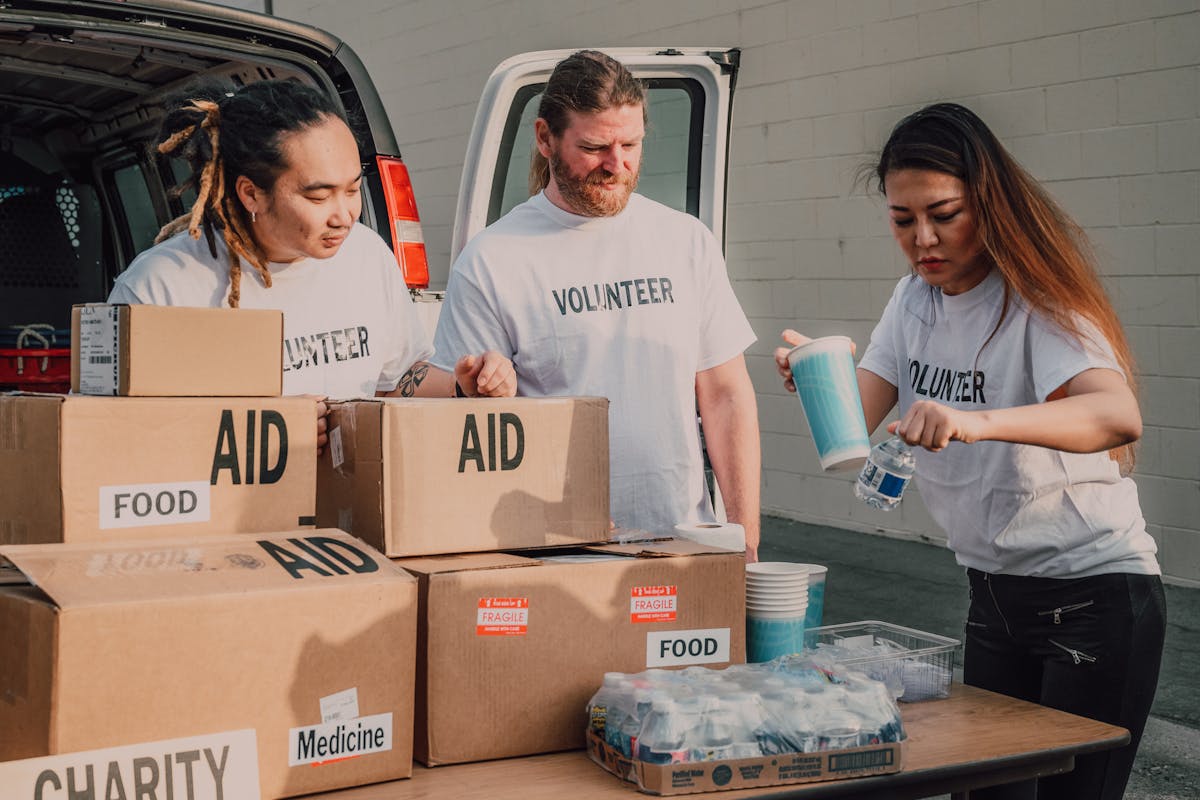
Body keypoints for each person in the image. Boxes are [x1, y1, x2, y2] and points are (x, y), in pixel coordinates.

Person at [774, 103, 1164, 800]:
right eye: (902, 219)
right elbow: (853, 429)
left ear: (987, 203)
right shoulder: (913, 299)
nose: (923, 239)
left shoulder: (1037, 299)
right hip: (993, 597)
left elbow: (1116, 415)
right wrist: (815, 375)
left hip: (1093, 597)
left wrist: (976, 422)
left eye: (944, 214)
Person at [432, 50, 762, 559]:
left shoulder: (685, 241)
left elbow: (725, 395)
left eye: (630, 144)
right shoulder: (492, 259)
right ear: (545, 138)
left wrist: (745, 538)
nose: (617, 165)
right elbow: (472, 432)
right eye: (593, 147)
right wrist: (478, 387)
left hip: (685, 544)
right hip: (556, 552)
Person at [109, 80, 515, 448]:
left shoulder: (367, 255)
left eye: (353, 189)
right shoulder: (160, 288)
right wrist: (265, 430)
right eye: (319, 197)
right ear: (251, 193)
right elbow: (115, 437)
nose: (344, 216)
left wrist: (464, 386)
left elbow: (394, 383)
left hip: (348, 503)